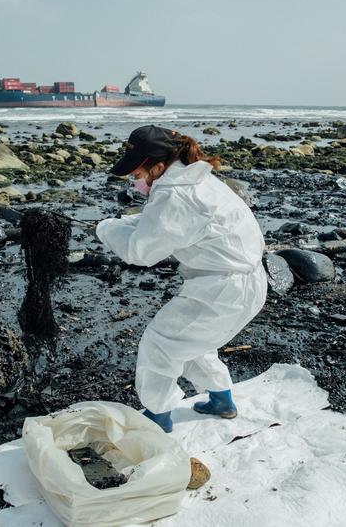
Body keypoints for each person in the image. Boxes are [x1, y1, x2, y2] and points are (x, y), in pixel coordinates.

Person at [95, 125, 268, 433]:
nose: (134, 182)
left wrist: (106, 229)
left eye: (136, 175)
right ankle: (222, 400)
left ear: (158, 166)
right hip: (243, 282)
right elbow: (162, 222)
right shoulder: (193, 178)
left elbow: (141, 251)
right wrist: (125, 222)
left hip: (224, 288)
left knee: (160, 344)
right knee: (192, 342)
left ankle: (158, 418)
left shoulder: (177, 193)